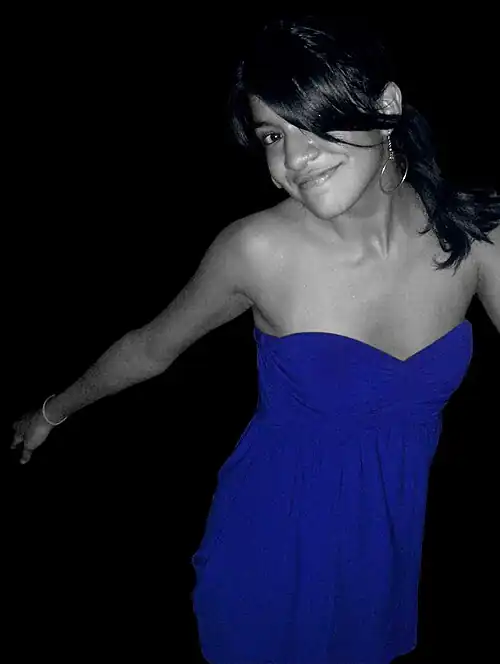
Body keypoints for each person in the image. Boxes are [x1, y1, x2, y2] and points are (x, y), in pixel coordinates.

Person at [11, 14, 499, 664]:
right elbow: (151, 348)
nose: (291, 160)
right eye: (273, 135)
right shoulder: (258, 250)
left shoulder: (476, 237)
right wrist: (51, 412)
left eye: (311, 122)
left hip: (382, 545)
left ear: (386, 107)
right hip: (273, 537)